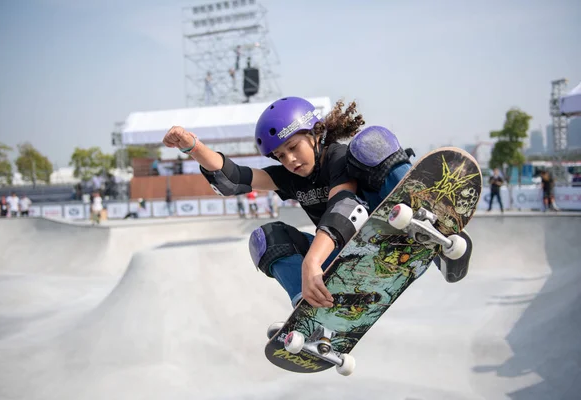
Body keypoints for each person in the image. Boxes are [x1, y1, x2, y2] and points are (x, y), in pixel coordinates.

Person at [162, 96, 470, 311]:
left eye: (293, 147)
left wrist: (311, 262)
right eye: (280, 156)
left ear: (314, 136)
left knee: (369, 143)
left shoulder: (335, 158)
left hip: (394, 226)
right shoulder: (289, 177)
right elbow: (233, 179)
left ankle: (433, 227)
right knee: (265, 239)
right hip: (349, 256)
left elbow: (346, 208)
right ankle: (311, 307)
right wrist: (193, 146)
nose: (290, 160)